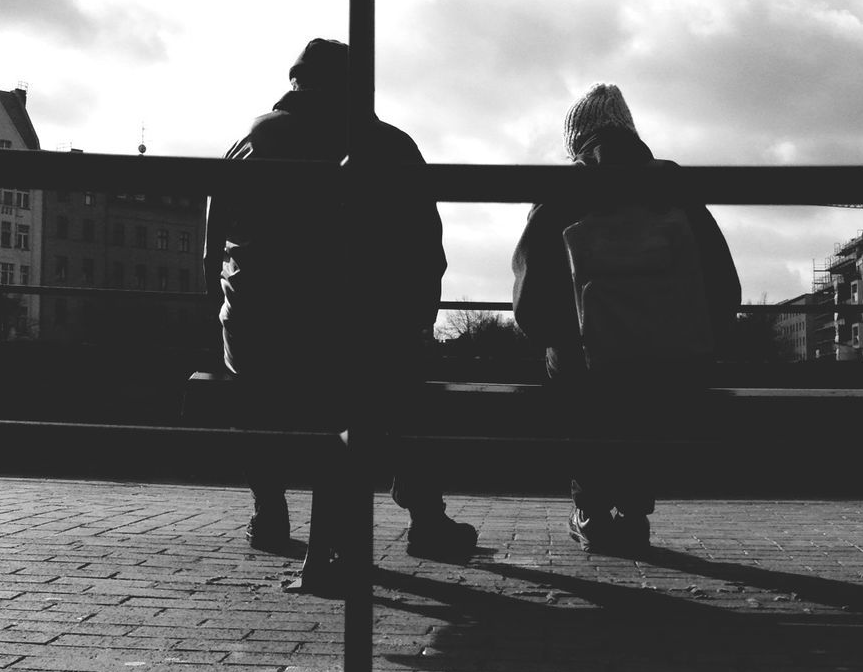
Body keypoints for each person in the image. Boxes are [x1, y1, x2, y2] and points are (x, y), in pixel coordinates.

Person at [204, 39, 477, 587]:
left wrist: (225, 312)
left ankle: (271, 514)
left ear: (295, 81)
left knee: (259, 393)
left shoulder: (251, 140)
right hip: (359, 338)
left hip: (259, 338)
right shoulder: (390, 145)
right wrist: (416, 321)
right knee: (379, 382)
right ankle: (412, 523)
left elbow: (213, 248)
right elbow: (428, 251)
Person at [511, 83, 741, 556]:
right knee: (649, 380)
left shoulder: (561, 190)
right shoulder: (673, 185)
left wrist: (559, 340)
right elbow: (724, 284)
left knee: (570, 374)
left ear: (576, 141)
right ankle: (632, 511)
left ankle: (590, 509)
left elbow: (530, 303)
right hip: (674, 365)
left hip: (588, 370)